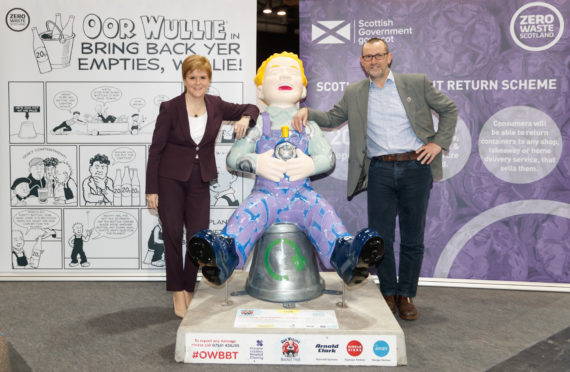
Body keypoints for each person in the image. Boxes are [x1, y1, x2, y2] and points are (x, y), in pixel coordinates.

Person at [292, 38, 457, 320]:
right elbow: (333, 117)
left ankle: (406, 295)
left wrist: (438, 143)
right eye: (367, 57)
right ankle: (389, 294)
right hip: (379, 170)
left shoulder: (416, 83)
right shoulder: (355, 92)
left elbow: (449, 109)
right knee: (381, 238)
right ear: (361, 61)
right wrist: (309, 113)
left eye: (378, 56)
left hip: (416, 167)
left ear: (389, 57)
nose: (373, 61)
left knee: (412, 237)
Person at [188, 52, 383, 288]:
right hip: (265, 197)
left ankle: (347, 256)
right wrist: (257, 161)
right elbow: (234, 157)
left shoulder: (309, 126)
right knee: (247, 215)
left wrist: (311, 164)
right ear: (260, 91)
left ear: (302, 90)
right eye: (275, 71)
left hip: (303, 197)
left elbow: (328, 158)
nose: (283, 75)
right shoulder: (258, 123)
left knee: (322, 211)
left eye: (291, 72)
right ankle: (223, 254)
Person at [145, 54, 259, 318]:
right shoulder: (170, 108)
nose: (197, 82)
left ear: (209, 80)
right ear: (184, 79)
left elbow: (253, 108)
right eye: (192, 77)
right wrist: (152, 189)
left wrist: (244, 119)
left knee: (198, 238)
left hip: (200, 179)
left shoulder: (216, 105)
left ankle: (188, 286)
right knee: (172, 235)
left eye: (203, 77)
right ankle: (177, 291)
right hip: (169, 179)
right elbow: (156, 150)